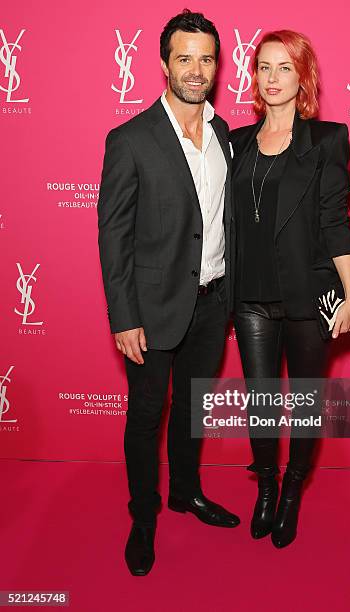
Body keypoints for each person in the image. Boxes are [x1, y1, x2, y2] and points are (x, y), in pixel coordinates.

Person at [97, 10, 239, 577]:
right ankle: (144, 516)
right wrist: (124, 315)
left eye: (206, 58)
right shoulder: (130, 140)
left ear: (216, 65)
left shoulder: (225, 132)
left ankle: (186, 492)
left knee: (194, 408)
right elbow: (114, 237)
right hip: (151, 310)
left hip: (212, 301)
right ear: (163, 65)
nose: (196, 69)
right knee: (146, 416)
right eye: (185, 57)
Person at [230, 30, 350, 548]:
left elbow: (334, 223)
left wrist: (349, 294)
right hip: (250, 296)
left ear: (302, 75)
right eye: (264, 67)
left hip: (308, 296)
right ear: (254, 75)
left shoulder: (327, 140)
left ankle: (291, 493)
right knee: (260, 400)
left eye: (285, 67)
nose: (273, 77)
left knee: (305, 401)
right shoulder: (235, 141)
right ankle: (264, 484)